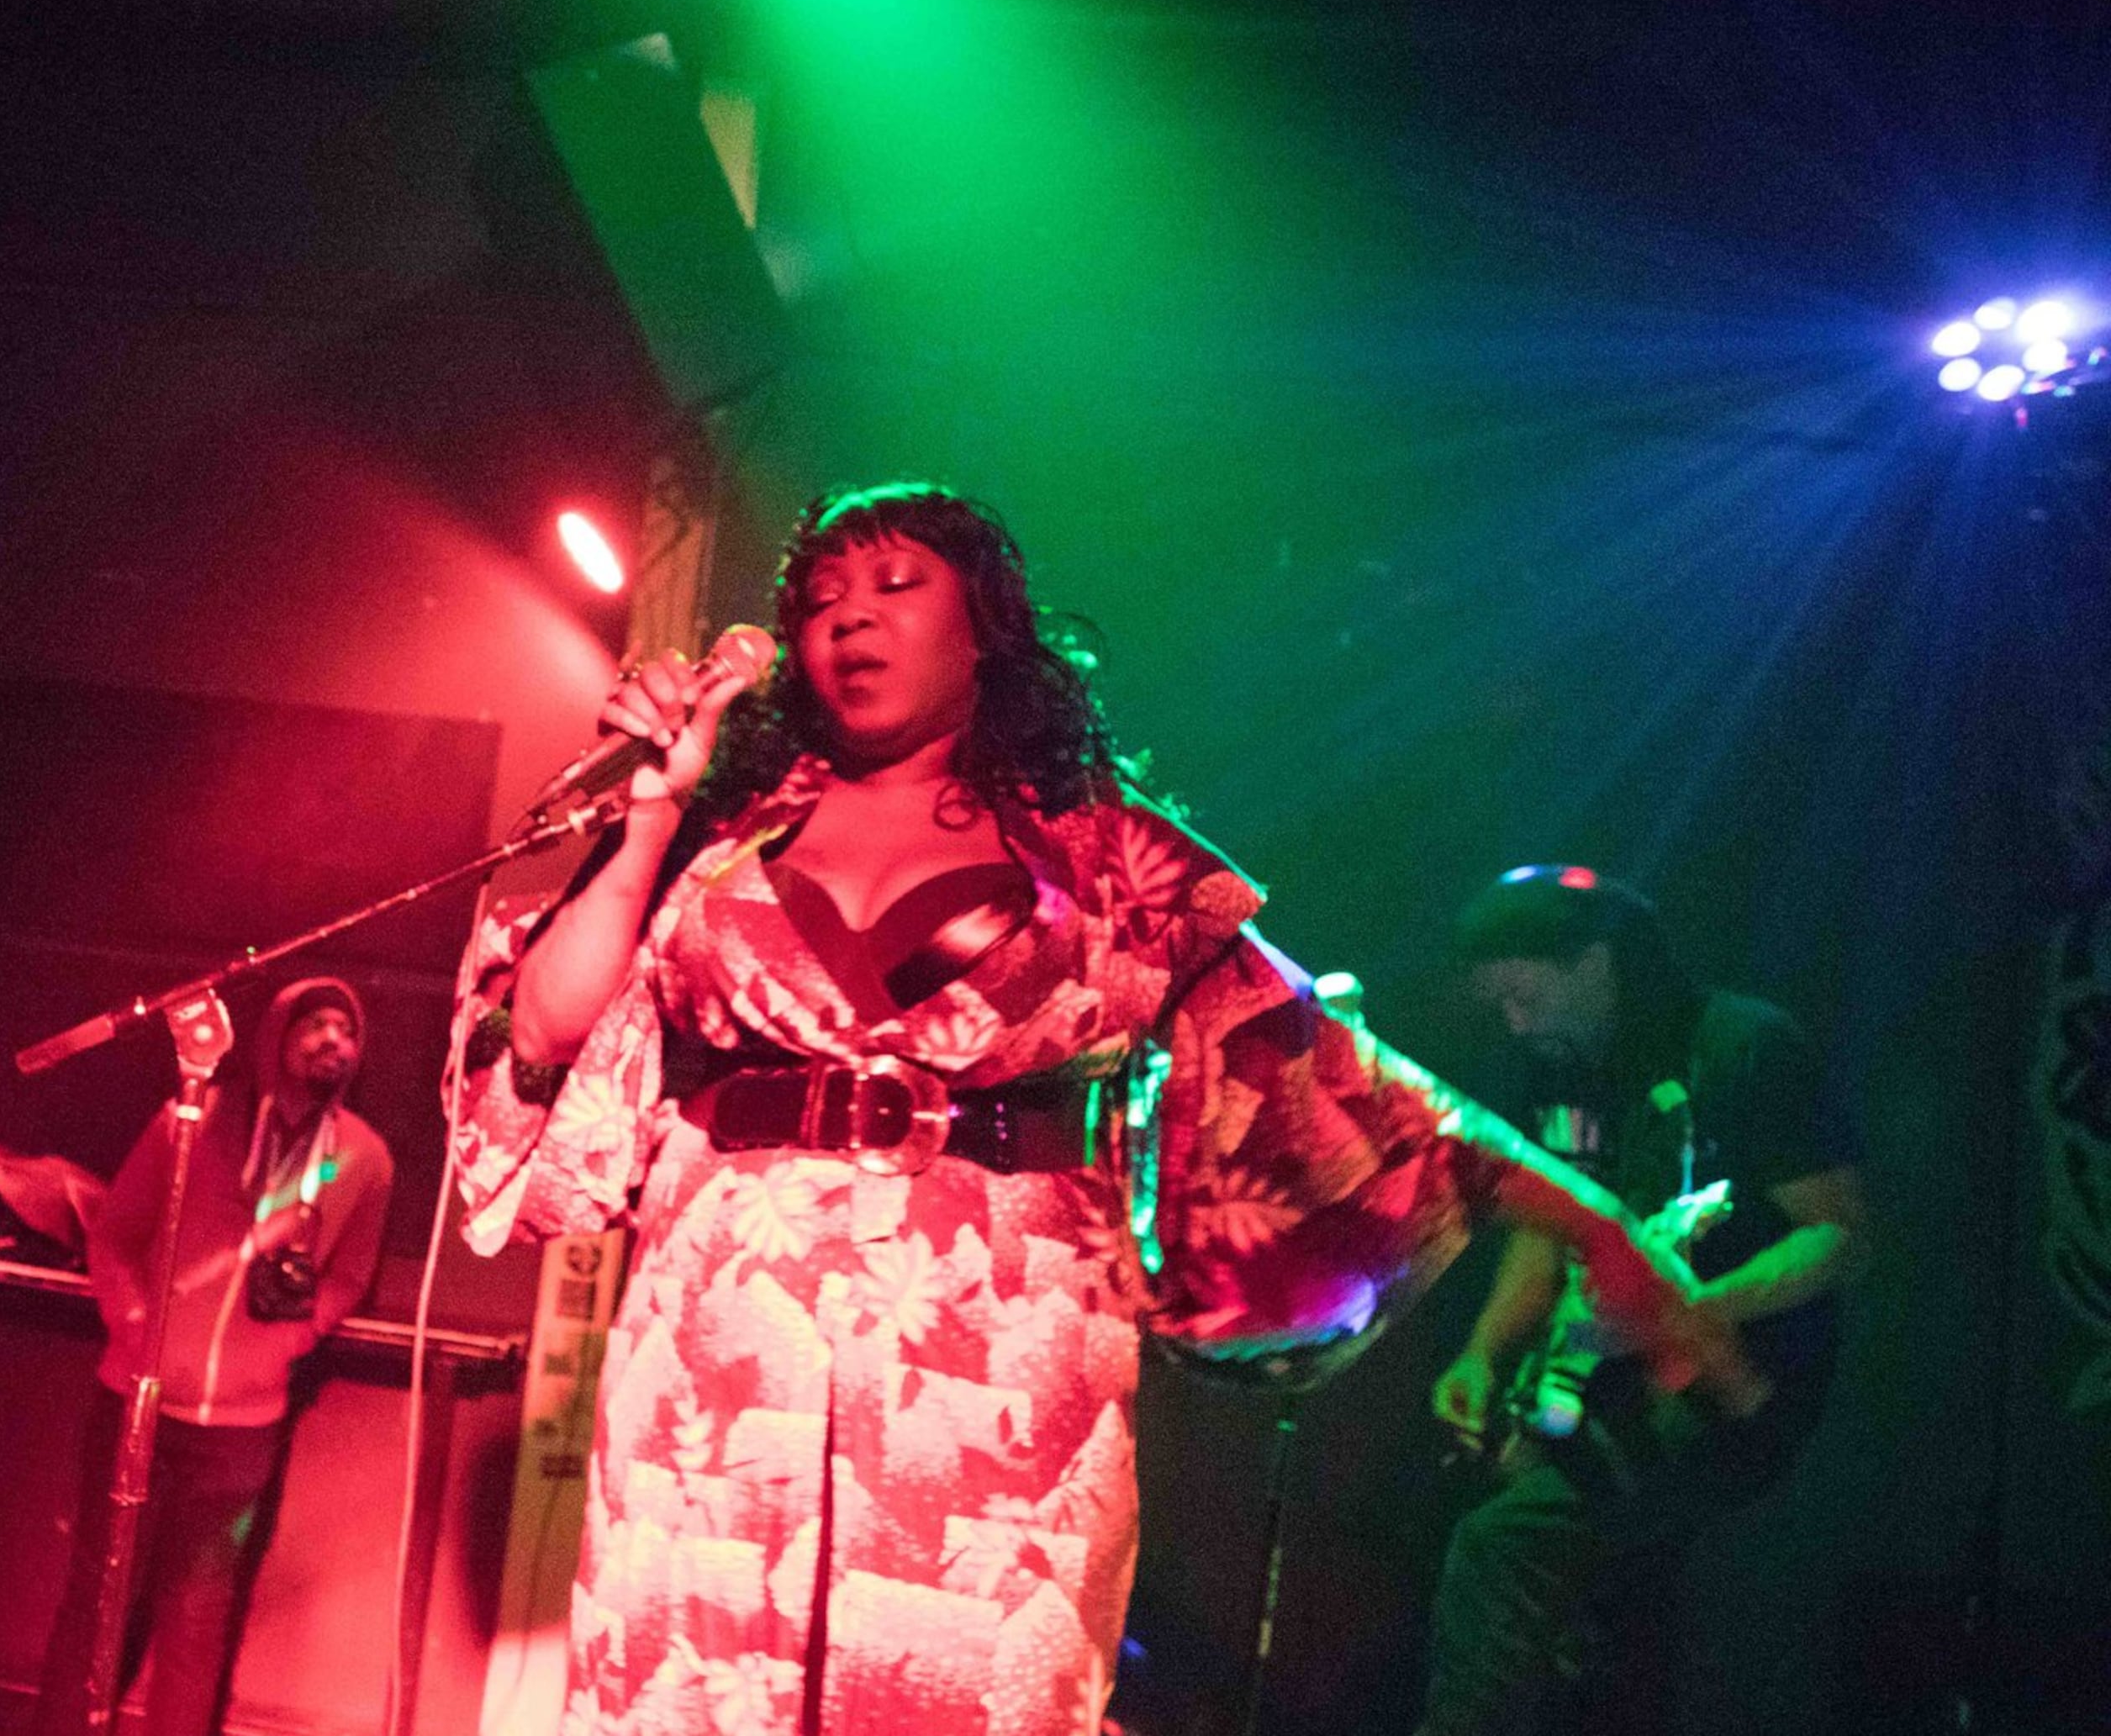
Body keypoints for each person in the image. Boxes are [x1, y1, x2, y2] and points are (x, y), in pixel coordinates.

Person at [441, 483, 1752, 1736]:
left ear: (986, 634)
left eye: (897, 583)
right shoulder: (718, 845)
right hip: (717, 1360)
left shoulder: (1107, 867)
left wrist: (1593, 1224)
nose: (849, 614)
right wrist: (652, 810)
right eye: (823, 596)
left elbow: (1355, 1081)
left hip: (993, 1371)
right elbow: (549, 1030)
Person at [1414, 867, 1862, 1736]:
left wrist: (1693, 1307)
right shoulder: (1567, 1081)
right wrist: (1483, 1353)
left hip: (1737, 1386)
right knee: (1550, 1576)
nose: (1517, 1023)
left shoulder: (1742, 1048)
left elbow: (1841, 1236)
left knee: (1500, 1548)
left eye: (1527, 995)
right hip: (1612, 1383)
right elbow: (1547, 1229)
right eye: (1500, 1004)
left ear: (1598, 962)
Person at [32, 977, 395, 1736]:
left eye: (348, 1031)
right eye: (317, 1025)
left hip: (242, 1432)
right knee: (98, 1603)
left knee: (200, 1620)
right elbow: (113, 1235)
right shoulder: (191, 1121)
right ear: (275, 1038)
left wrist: (300, 1335)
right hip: (135, 1407)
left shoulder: (364, 1158)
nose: (335, 1041)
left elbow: (353, 1274)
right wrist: (131, 1320)